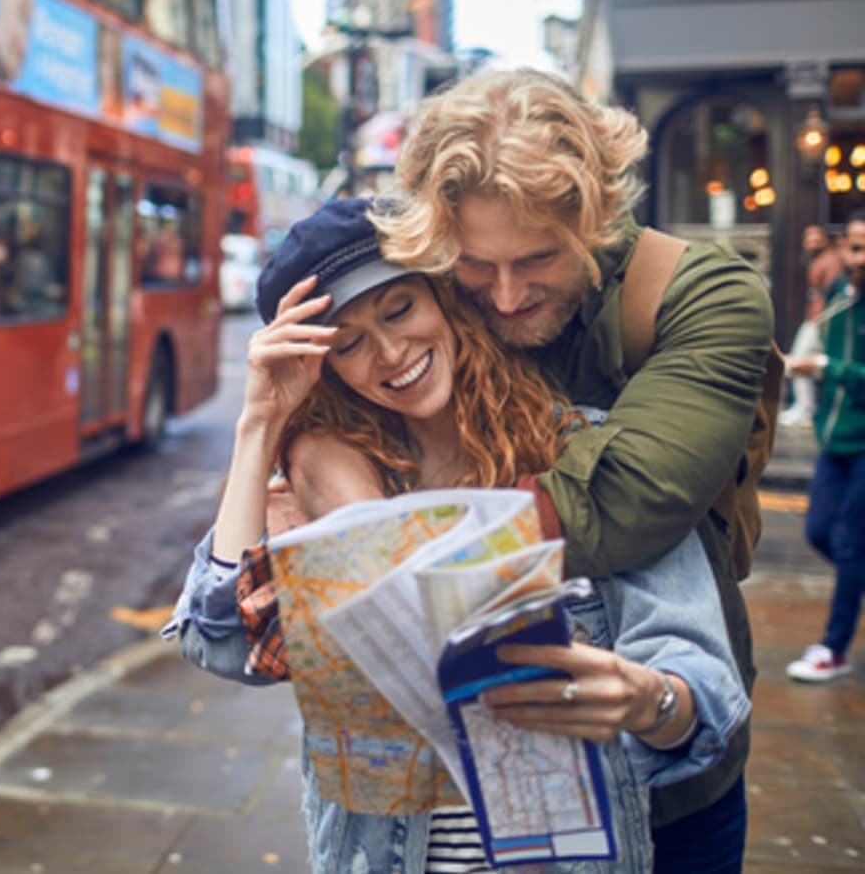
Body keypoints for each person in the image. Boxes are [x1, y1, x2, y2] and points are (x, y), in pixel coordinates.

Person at [168, 198, 748, 874]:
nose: (390, 352)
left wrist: (650, 699)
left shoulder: (584, 450)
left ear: (445, 298)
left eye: (399, 309)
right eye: (348, 342)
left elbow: (703, 689)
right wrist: (259, 425)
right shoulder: (333, 485)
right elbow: (220, 641)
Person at [374, 68, 773, 873]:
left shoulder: (710, 295)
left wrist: (384, 548)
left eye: (539, 258)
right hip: (466, 785)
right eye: (477, 266)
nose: (508, 294)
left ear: (598, 215)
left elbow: (622, 502)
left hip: (664, 773)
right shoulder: (429, 300)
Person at [784, 208, 865, 683]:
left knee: (852, 544)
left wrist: (825, 368)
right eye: (855, 247)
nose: (861, 257)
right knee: (819, 532)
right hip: (834, 442)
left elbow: (841, 366)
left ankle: (834, 648)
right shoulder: (841, 296)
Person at [780, 224, 843, 426]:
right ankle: (804, 406)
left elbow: (832, 296)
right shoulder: (817, 260)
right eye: (808, 239)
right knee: (802, 360)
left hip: (820, 320)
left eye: (816, 238)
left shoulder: (831, 261)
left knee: (800, 359)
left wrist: (821, 320)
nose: (811, 243)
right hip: (814, 318)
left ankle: (806, 408)